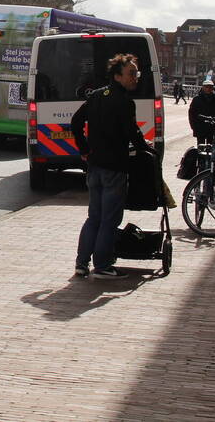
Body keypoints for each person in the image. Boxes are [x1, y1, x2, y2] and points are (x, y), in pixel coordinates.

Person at [70, 53, 149, 280]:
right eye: (131, 74)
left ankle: (81, 263)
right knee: (110, 219)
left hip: (94, 167)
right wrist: (145, 148)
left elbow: (76, 122)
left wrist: (84, 149)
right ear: (117, 76)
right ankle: (103, 265)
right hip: (114, 168)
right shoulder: (124, 101)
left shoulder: (95, 96)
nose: (135, 78)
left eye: (137, 73)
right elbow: (130, 132)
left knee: (94, 217)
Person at [189, 79, 215, 144]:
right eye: (206, 87)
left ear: (212, 88)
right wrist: (193, 126)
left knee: (211, 147)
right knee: (200, 147)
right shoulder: (197, 99)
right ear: (203, 87)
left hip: (212, 127)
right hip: (200, 127)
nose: (208, 89)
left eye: (210, 87)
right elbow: (192, 114)